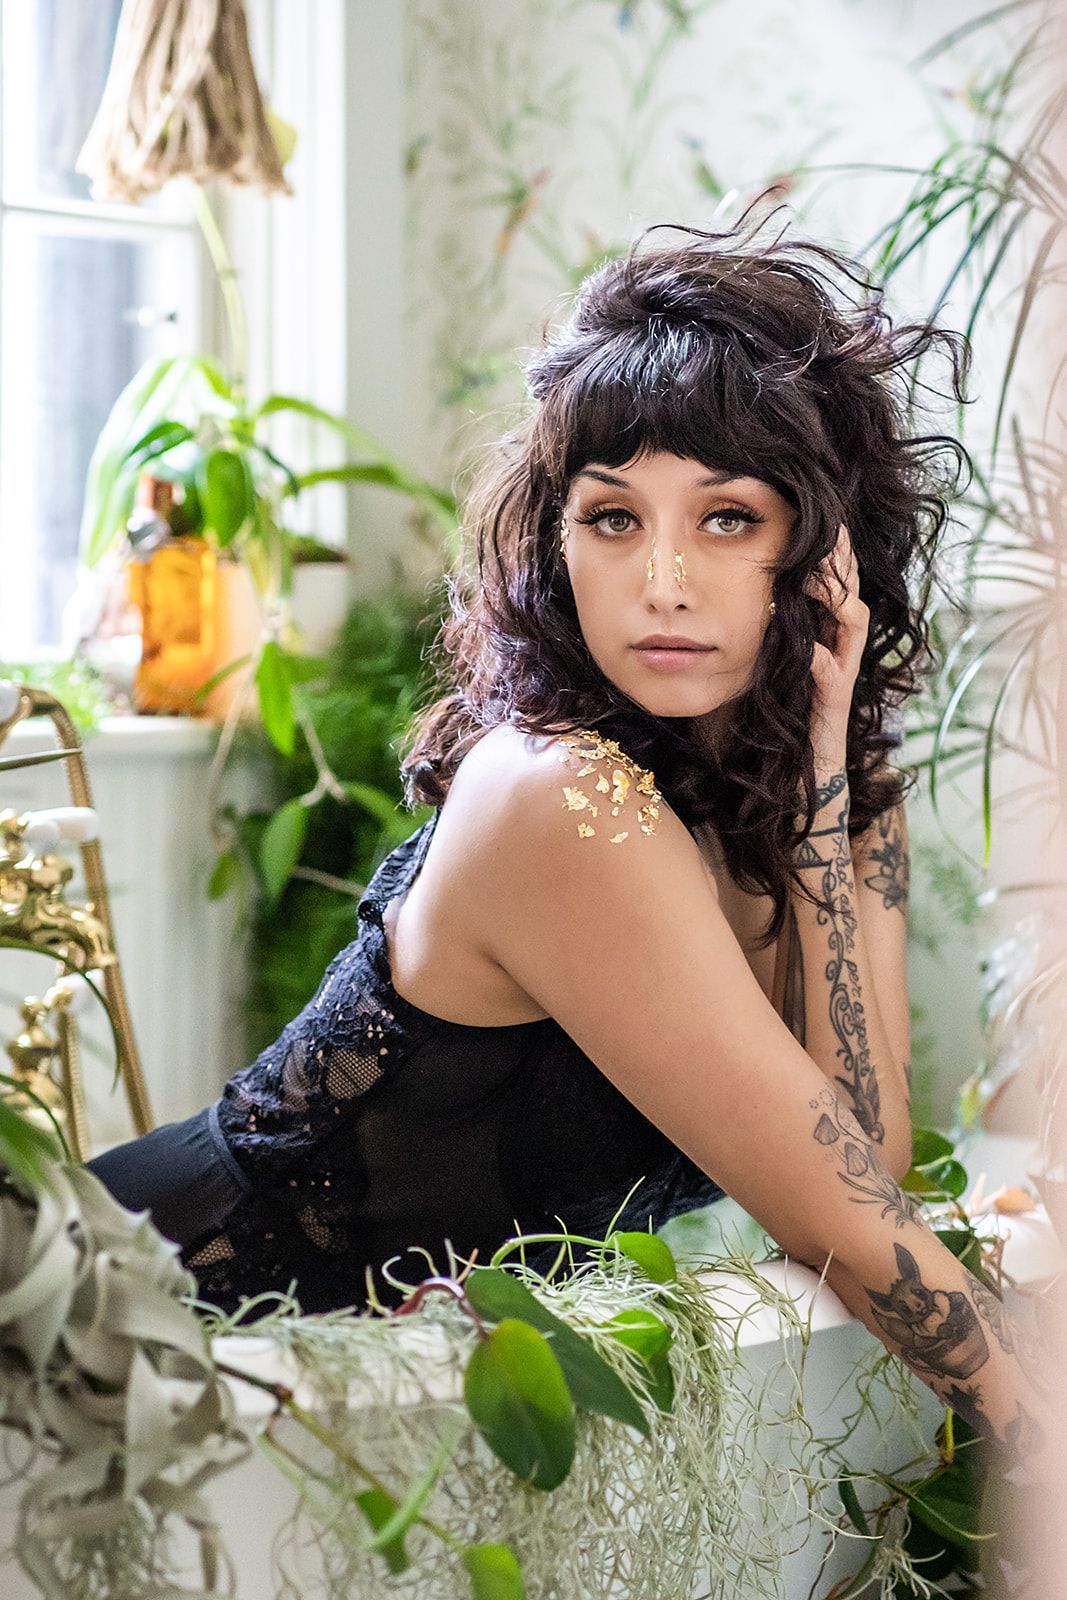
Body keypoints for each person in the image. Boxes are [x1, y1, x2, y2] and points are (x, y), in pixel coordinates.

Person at [87, 212, 1051, 1475]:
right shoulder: (553, 793)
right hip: (140, 1334)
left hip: (358, 1413)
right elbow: (857, 1230)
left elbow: (856, 1165)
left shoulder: (824, 794)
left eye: (726, 519)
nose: (661, 579)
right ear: (556, 542)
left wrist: (824, 792)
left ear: (820, 558)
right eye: (611, 518)